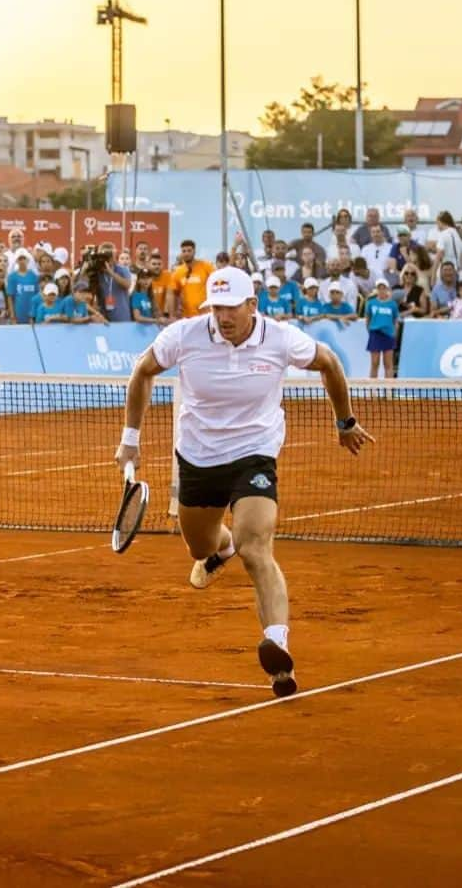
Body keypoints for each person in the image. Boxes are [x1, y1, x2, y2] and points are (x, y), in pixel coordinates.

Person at [115, 267, 373, 698]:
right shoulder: (185, 334)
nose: (222, 316)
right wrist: (130, 440)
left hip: (254, 454)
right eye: (216, 307)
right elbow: (142, 371)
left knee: (258, 548)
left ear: (252, 305)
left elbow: (328, 363)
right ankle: (221, 545)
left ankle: (278, 650)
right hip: (197, 457)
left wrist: (345, 421)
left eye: (231, 306)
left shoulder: (281, 338)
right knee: (200, 547)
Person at [167, 240, 214, 319]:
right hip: (187, 317)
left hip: (206, 314)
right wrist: (172, 314)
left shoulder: (206, 266)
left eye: (189, 251)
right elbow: (171, 293)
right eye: (184, 251)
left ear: (194, 251)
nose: (186, 253)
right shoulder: (178, 272)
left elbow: (216, 282)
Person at [364, 278, 399, 378]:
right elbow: (367, 319)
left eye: (384, 288)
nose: (381, 290)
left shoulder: (392, 304)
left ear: (387, 289)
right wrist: (371, 331)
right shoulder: (371, 303)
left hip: (388, 335)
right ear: (377, 289)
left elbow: (395, 320)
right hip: (375, 334)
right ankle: (373, 391)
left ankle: (389, 391)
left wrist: (394, 333)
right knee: (374, 363)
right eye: (379, 288)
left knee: (388, 363)